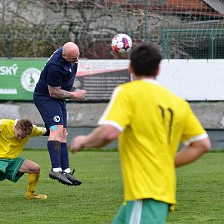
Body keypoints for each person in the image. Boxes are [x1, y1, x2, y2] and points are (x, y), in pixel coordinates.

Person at [70, 43, 211, 223]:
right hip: (153, 193)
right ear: (158, 70)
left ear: (130, 67)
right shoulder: (177, 103)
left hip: (145, 194)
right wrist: (165, 163)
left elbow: (108, 133)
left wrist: (83, 141)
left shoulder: (128, 92)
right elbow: (202, 144)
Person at [33, 42, 86, 186]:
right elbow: (53, 92)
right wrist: (75, 95)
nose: (76, 61)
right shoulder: (55, 66)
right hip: (47, 98)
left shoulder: (69, 55)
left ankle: (65, 170)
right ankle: (55, 169)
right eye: (72, 59)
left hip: (59, 99)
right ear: (63, 55)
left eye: (77, 57)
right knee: (56, 130)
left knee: (63, 133)